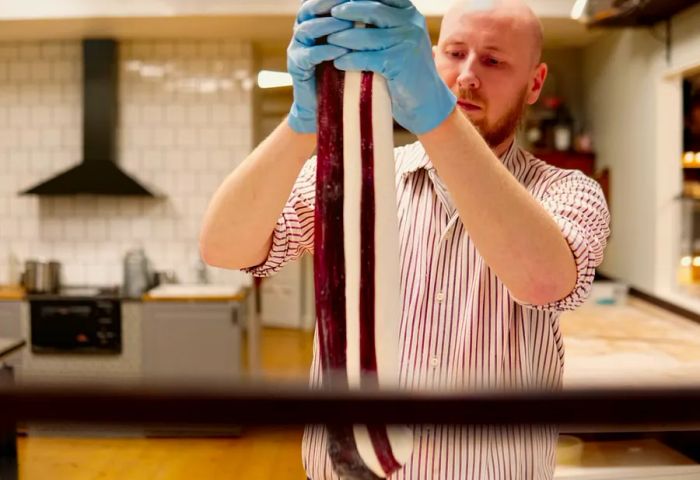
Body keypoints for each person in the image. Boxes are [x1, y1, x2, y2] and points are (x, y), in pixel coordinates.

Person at [199, 0, 611, 478]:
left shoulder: (569, 191)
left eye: (494, 61)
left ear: (535, 83)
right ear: (430, 58)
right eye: (455, 53)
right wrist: (302, 124)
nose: (468, 76)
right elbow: (224, 248)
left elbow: (543, 282)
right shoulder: (355, 174)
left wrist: (437, 120)